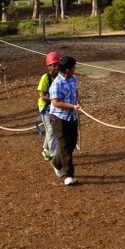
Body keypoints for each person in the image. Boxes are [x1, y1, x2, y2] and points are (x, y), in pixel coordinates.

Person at [49, 56, 80, 186]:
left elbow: (76, 91)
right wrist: (72, 106)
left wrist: (77, 100)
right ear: (67, 70)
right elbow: (56, 103)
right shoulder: (56, 84)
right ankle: (68, 174)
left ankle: (56, 162)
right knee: (65, 146)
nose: (75, 69)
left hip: (71, 117)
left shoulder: (73, 78)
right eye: (73, 67)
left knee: (72, 143)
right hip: (59, 118)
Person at [37, 51, 61, 164]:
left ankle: (45, 149)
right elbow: (42, 95)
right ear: (49, 66)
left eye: (57, 64)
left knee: (50, 129)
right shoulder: (45, 78)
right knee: (51, 130)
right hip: (45, 107)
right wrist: (54, 99)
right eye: (53, 65)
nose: (56, 67)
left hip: (55, 106)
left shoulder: (60, 76)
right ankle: (53, 155)